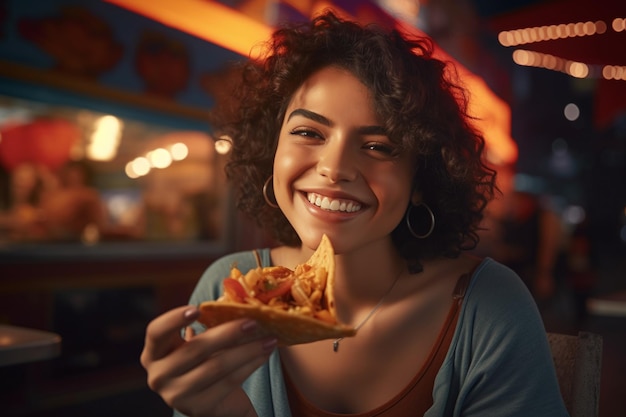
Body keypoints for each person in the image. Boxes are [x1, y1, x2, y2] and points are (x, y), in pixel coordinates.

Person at [140, 11, 569, 417]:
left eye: (378, 146)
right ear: (273, 151)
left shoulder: (486, 306)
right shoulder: (227, 290)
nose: (335, 167)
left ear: (421, 178)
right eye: (308, 132)